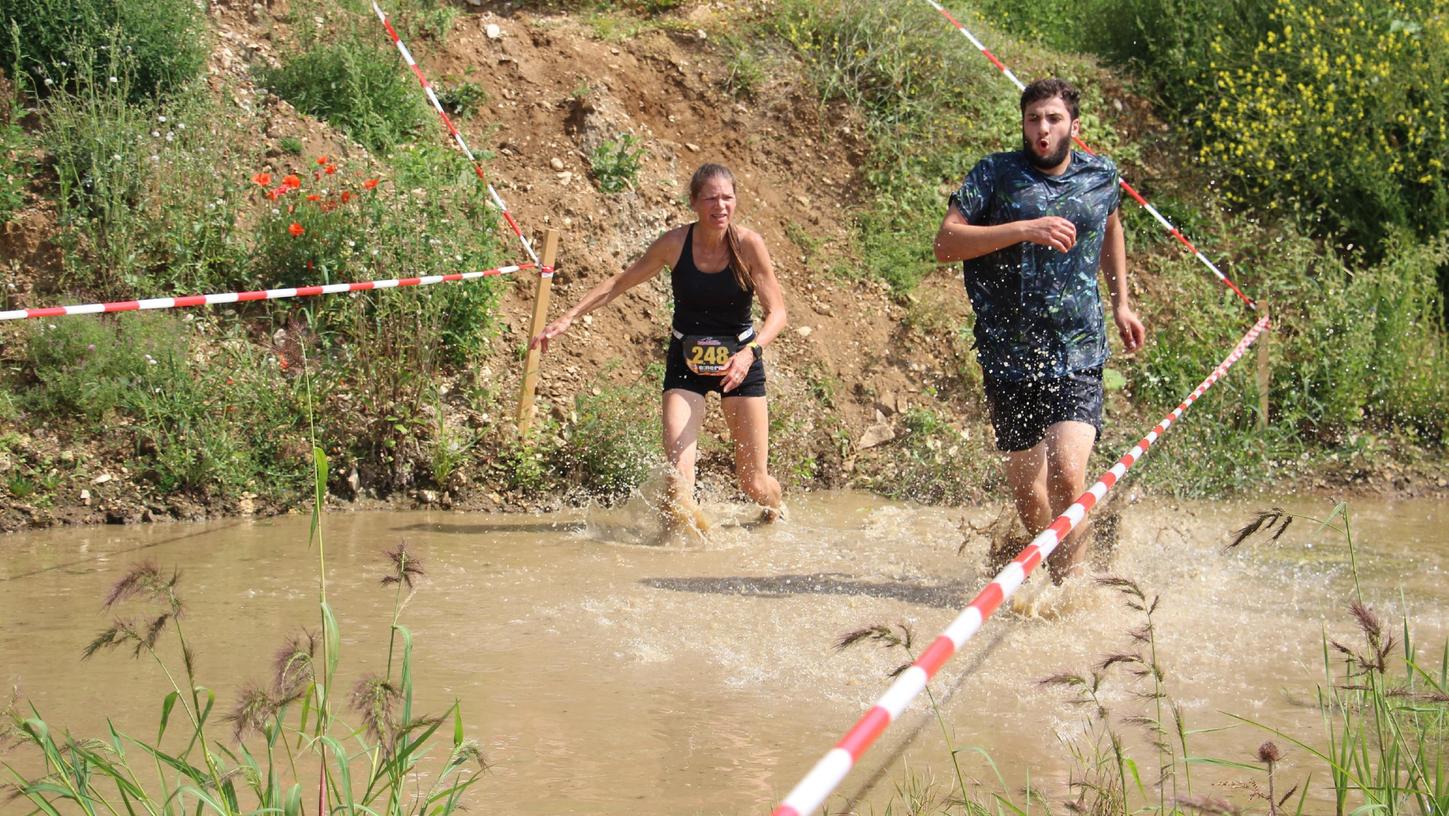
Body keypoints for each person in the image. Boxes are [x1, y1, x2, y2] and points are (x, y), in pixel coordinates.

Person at [932, 78, 1146, 582]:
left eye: (1052, 118)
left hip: (1078, 351)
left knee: (1069, 474)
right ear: (1023, 124)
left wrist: (1122, 304)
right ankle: (1050, 562)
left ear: (1074, 125)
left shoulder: (1101, 176)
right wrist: (1025, 228)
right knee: (1031, 493)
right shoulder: (996, 174)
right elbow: (946, 243)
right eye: (1033, 119)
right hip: (1008, 355)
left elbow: (1109, 226)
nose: (1042, 128)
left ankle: (1072, 588)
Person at [531, 163, 788, 532]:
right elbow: (621, 281)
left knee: (754, 484)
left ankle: (776, 511)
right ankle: (684, 552)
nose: (721, 206)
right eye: (711, 198)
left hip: (740, 363)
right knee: (677, 482)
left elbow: (777, 313)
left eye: (728, 197)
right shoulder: (674, 244)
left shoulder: (748, 244)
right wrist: (570, 315)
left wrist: (751, 354)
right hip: (686, 362)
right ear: (694, 203)